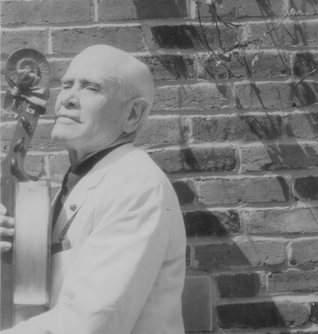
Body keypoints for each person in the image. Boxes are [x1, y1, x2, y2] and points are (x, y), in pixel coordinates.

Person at [0, 45, 187, 334]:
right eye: (66, 84)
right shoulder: (81, 181)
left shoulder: (137, 187)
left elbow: (92, 323)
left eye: (91, 88)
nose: (66, 99)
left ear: (133, 114)